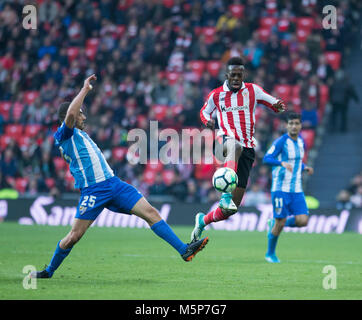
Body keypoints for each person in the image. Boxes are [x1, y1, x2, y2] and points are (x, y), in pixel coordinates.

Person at [31, 75, 208, 279]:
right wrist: (85, 90)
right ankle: (49, 271)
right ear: (68, 117)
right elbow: (71, 113)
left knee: (150, 212)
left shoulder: (80, 135)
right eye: (81, 114)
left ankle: (184, 250)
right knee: (74, 236)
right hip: (94, 191)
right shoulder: (64, 134)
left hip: (115, 185)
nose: (84, 117)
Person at [191, 56, 286, 241]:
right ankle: (225, 195)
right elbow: (204, 111)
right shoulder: (216, 95)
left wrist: (278, 106)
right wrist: (207, 121)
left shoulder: (252, 90)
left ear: (243, 75)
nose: (236, 78)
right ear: (227, 74)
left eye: (239, 75)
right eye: (232, 74)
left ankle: (203, 220)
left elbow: (272, 102)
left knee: (229, 211)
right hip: (224, 142)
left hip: (248, 149)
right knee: (234, 144)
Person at [262, 112, 314, 263]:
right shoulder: (280, 142)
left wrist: (305, 167)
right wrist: (281, 163)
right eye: (291, 123)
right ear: (286, 125)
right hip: (280, 189)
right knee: (281, 222)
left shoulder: (301, 142)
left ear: (300, 125)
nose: (293, 126)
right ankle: (270, 254)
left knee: (303, 221)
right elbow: (266, 158)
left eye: (296, 123)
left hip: (296, 189)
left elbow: (296, 162)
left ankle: (274, 223)